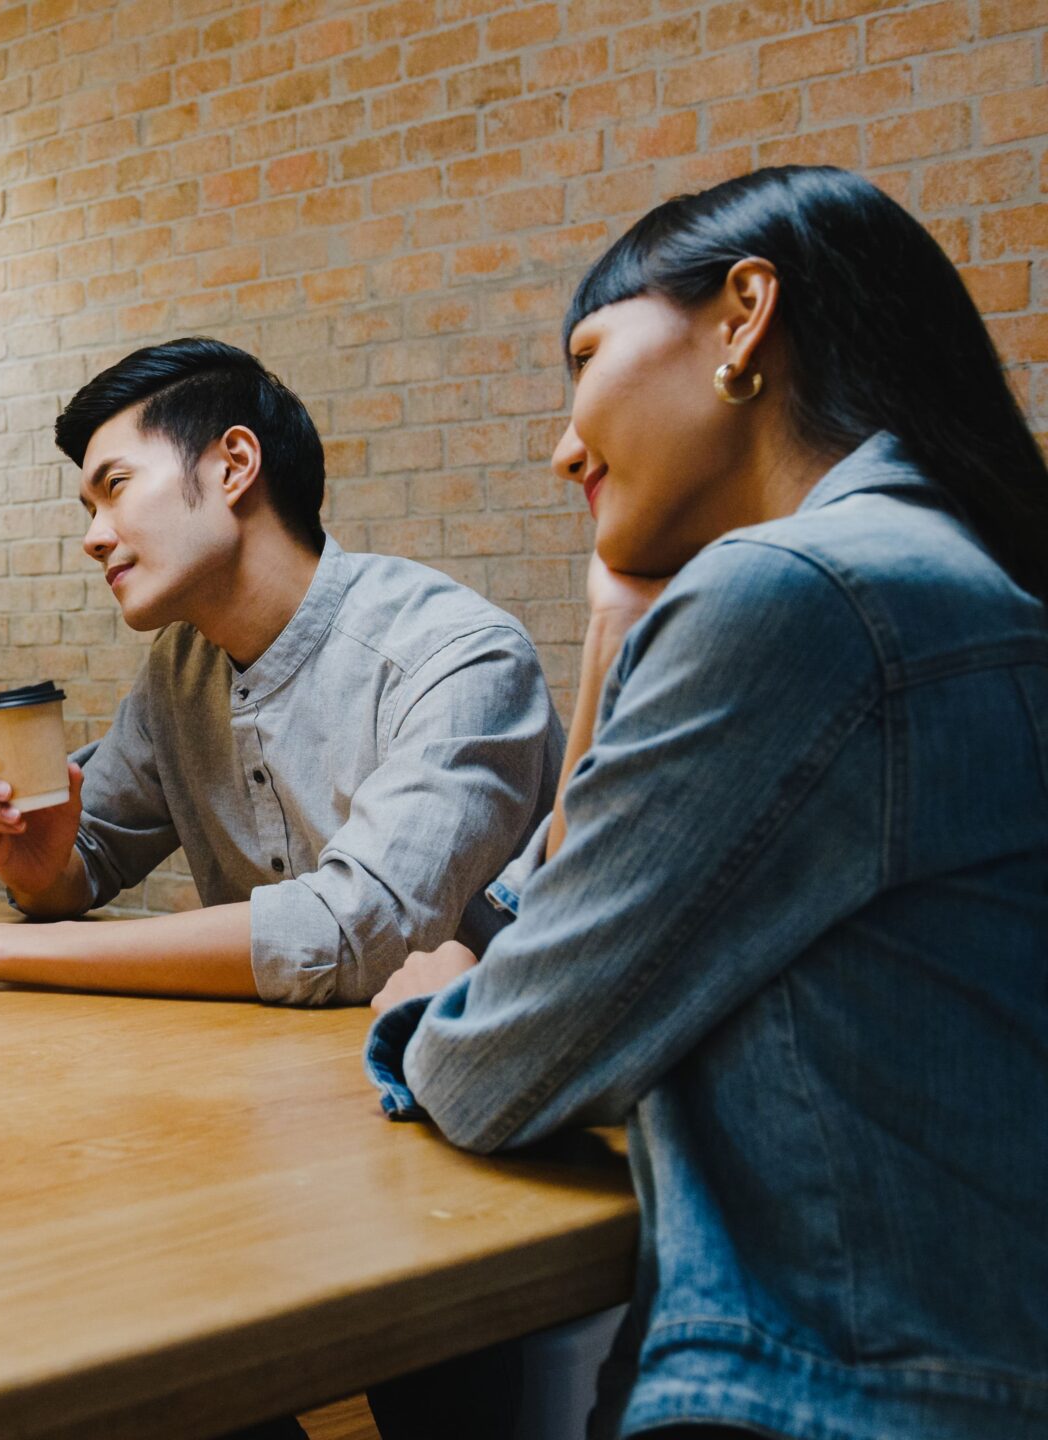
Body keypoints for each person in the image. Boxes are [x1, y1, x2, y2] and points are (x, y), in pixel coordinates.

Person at [365, 166, 1048, 1440]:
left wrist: (422, 1014)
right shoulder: (954, 569)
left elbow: (504, 1062)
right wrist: (609, 641)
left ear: (742, 318)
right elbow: (563, 928)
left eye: (585, 356)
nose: (563, 441)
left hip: (841, 1398)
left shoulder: (798, 596)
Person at [0, 338, 562, 1008]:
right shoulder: (181, 670)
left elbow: (357, 930)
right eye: (90, 508)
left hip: (483, 1095)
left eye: (117, 486)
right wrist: (43, 869)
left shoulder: (458, 655)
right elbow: (84, 862)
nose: (93, 536)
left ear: (233, 465)